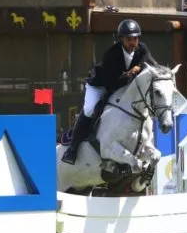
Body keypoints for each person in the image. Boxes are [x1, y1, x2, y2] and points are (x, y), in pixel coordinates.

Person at [62, 19, 157, 165]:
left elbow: (152, 65)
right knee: (89, 110)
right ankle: (72, 149)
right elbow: (111, 84)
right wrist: (131, 73)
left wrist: (143, 70)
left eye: (135, 38)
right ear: (121, 39)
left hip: (123, 86)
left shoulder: (141, 48)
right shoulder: (111, 55)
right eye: (129, 39)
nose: (133, 42)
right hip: (100, 86)